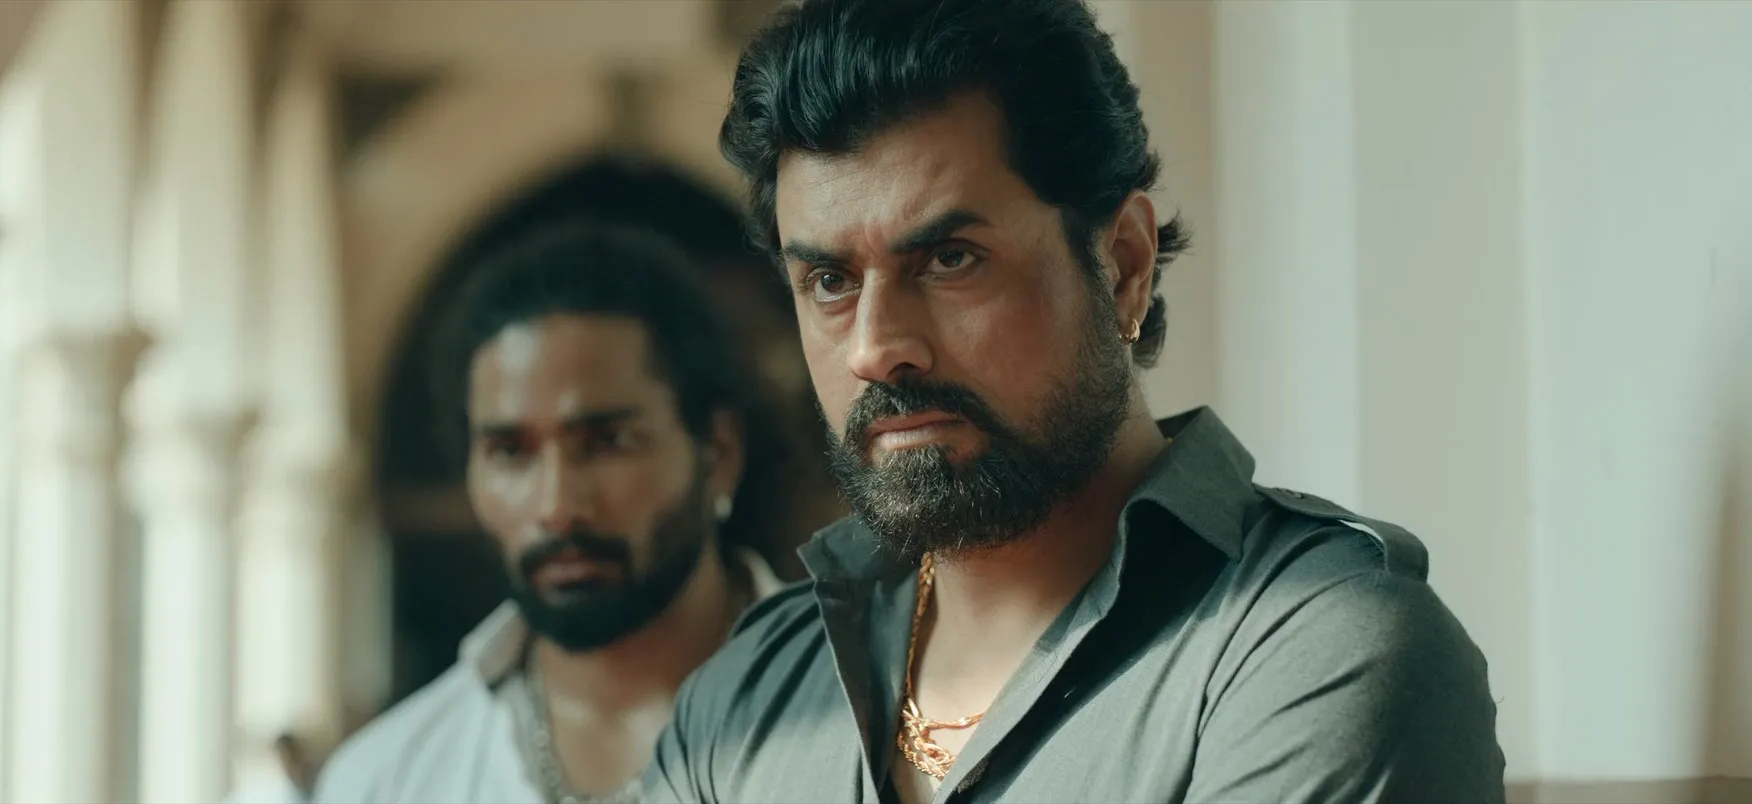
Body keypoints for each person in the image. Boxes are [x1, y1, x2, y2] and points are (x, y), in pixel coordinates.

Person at [643, 0, 1507, 801]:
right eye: (830, 281)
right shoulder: (747, 700)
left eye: (950, 260)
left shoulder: (1309, 648)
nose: (876, 347)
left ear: (1123, 265)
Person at [316, 224, 783, 803]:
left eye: (609, 441)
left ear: (718, 453)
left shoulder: (858, 719)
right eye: (511, 453)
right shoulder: (388, 781)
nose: (557, 507)